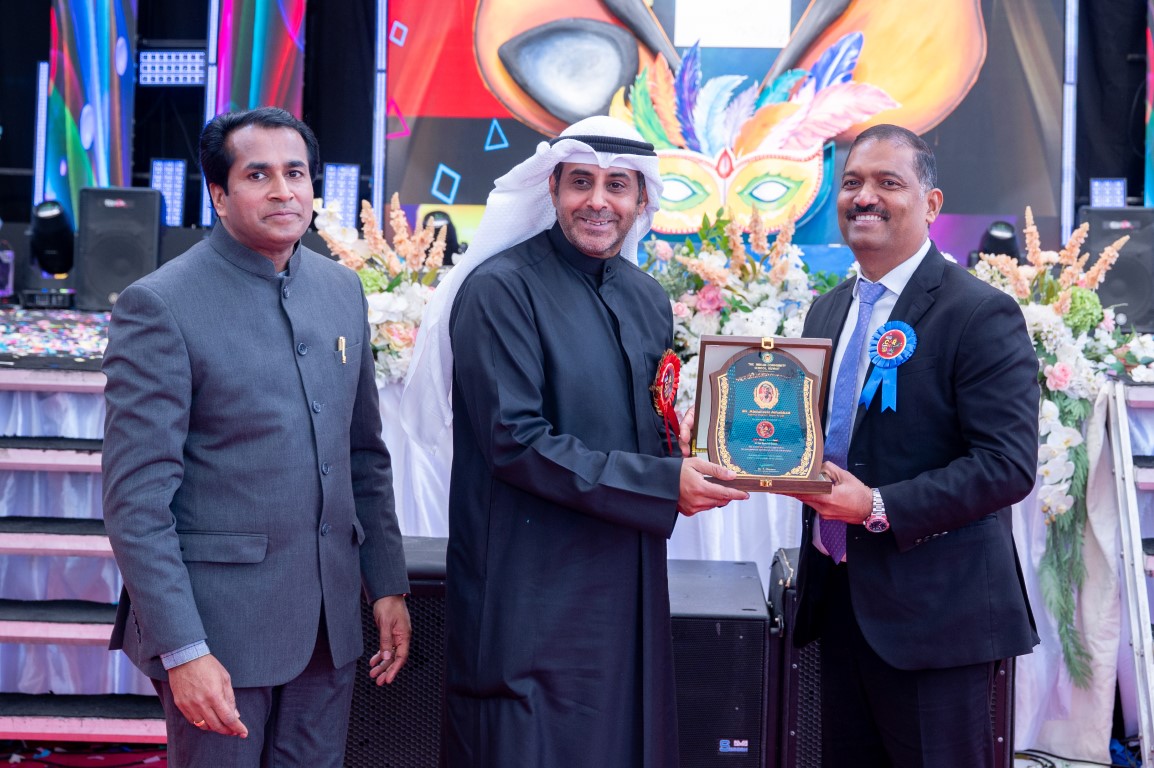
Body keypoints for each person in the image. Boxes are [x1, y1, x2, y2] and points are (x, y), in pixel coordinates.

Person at [401, 115, 748, 767]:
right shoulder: (500, 289)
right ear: (553, 189)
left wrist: (691, 454)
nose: (598, 201)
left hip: (624, 577)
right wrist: (662, 482)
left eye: (617, 185)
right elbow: (514, 440)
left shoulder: (646, 297)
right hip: (531, 586)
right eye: (581, 182)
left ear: (641, 199)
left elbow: (645, 423)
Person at [101, 106, 412, 767]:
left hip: (329, 627)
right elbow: (137, 503)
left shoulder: (340, 289)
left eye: (296, 173)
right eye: (258, 175)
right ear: (219, 194)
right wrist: (184, 650)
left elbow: (362, 455)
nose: (283, 191)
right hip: (219, 632)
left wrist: (386, 584)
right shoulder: (161, 304)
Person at [791, 124, 1039, 768]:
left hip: (936, 619)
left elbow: (1006, 466)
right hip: (839, 604)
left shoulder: (978, 313)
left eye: (887, 182)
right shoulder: (826, 311)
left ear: (930, 204)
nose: (864, 197)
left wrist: (876, 505)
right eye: (852, 182)